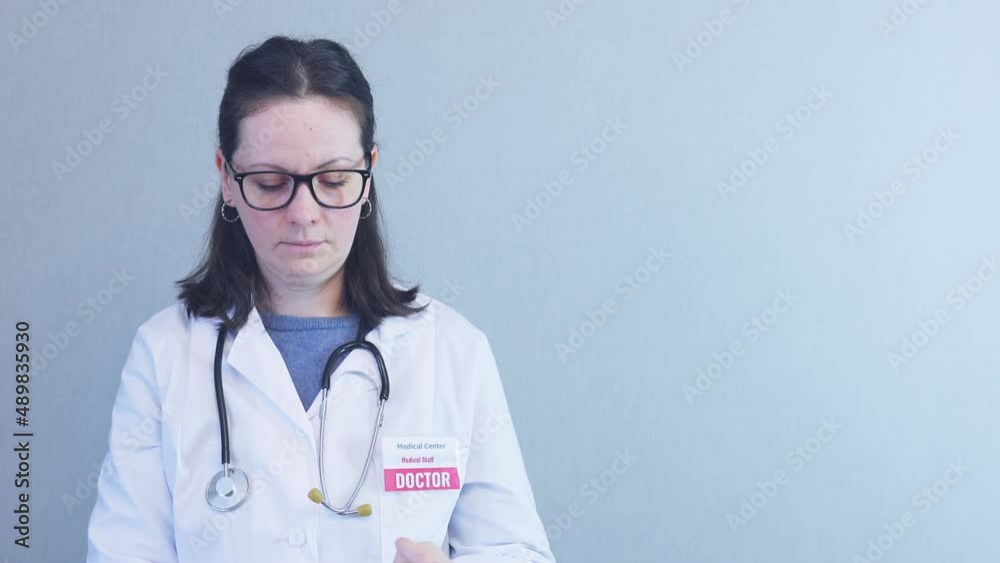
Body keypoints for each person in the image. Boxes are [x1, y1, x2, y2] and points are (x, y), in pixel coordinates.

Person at [85, 35, 555, 563]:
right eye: (270, 183)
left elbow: (514, 549)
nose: (304, 213)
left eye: (333, 180)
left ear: (368, 173)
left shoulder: (451, 350)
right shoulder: (165, 352)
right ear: (226, 178)